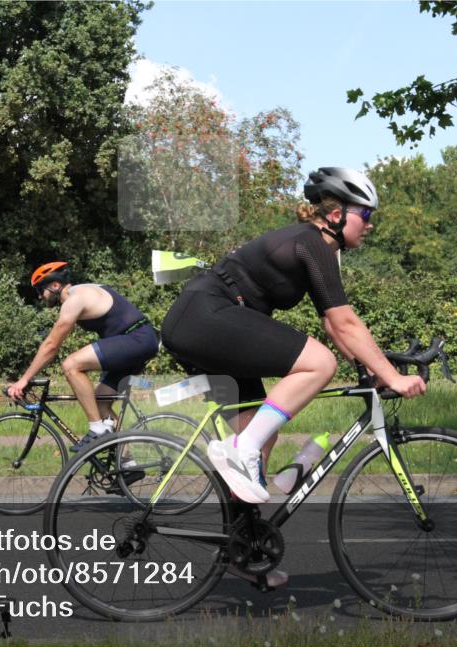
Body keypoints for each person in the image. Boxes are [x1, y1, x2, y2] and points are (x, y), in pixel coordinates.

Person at [161, 167, 427, 505]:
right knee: (318, 363)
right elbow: (345, 323)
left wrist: (373, 371)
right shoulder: (311, 243)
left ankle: (241, 540)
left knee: (263, 434)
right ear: (336, 215)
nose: (370, 223)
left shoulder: (318, 249)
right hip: (205, 316)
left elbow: (332, 324)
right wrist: (392, 376)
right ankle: (240, 449)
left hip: (205, 322)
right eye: (366, 214)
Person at [8, 262, 160, 450]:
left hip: (136, 339)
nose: (40, 296)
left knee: (71, 364)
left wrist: (23, 380)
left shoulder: (75, 300)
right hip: (138, 340)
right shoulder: (83, 290)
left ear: (55, 285)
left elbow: (51, 346)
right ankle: (127, 463)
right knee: (100, 404)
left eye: (41, 290)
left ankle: (97, 429)